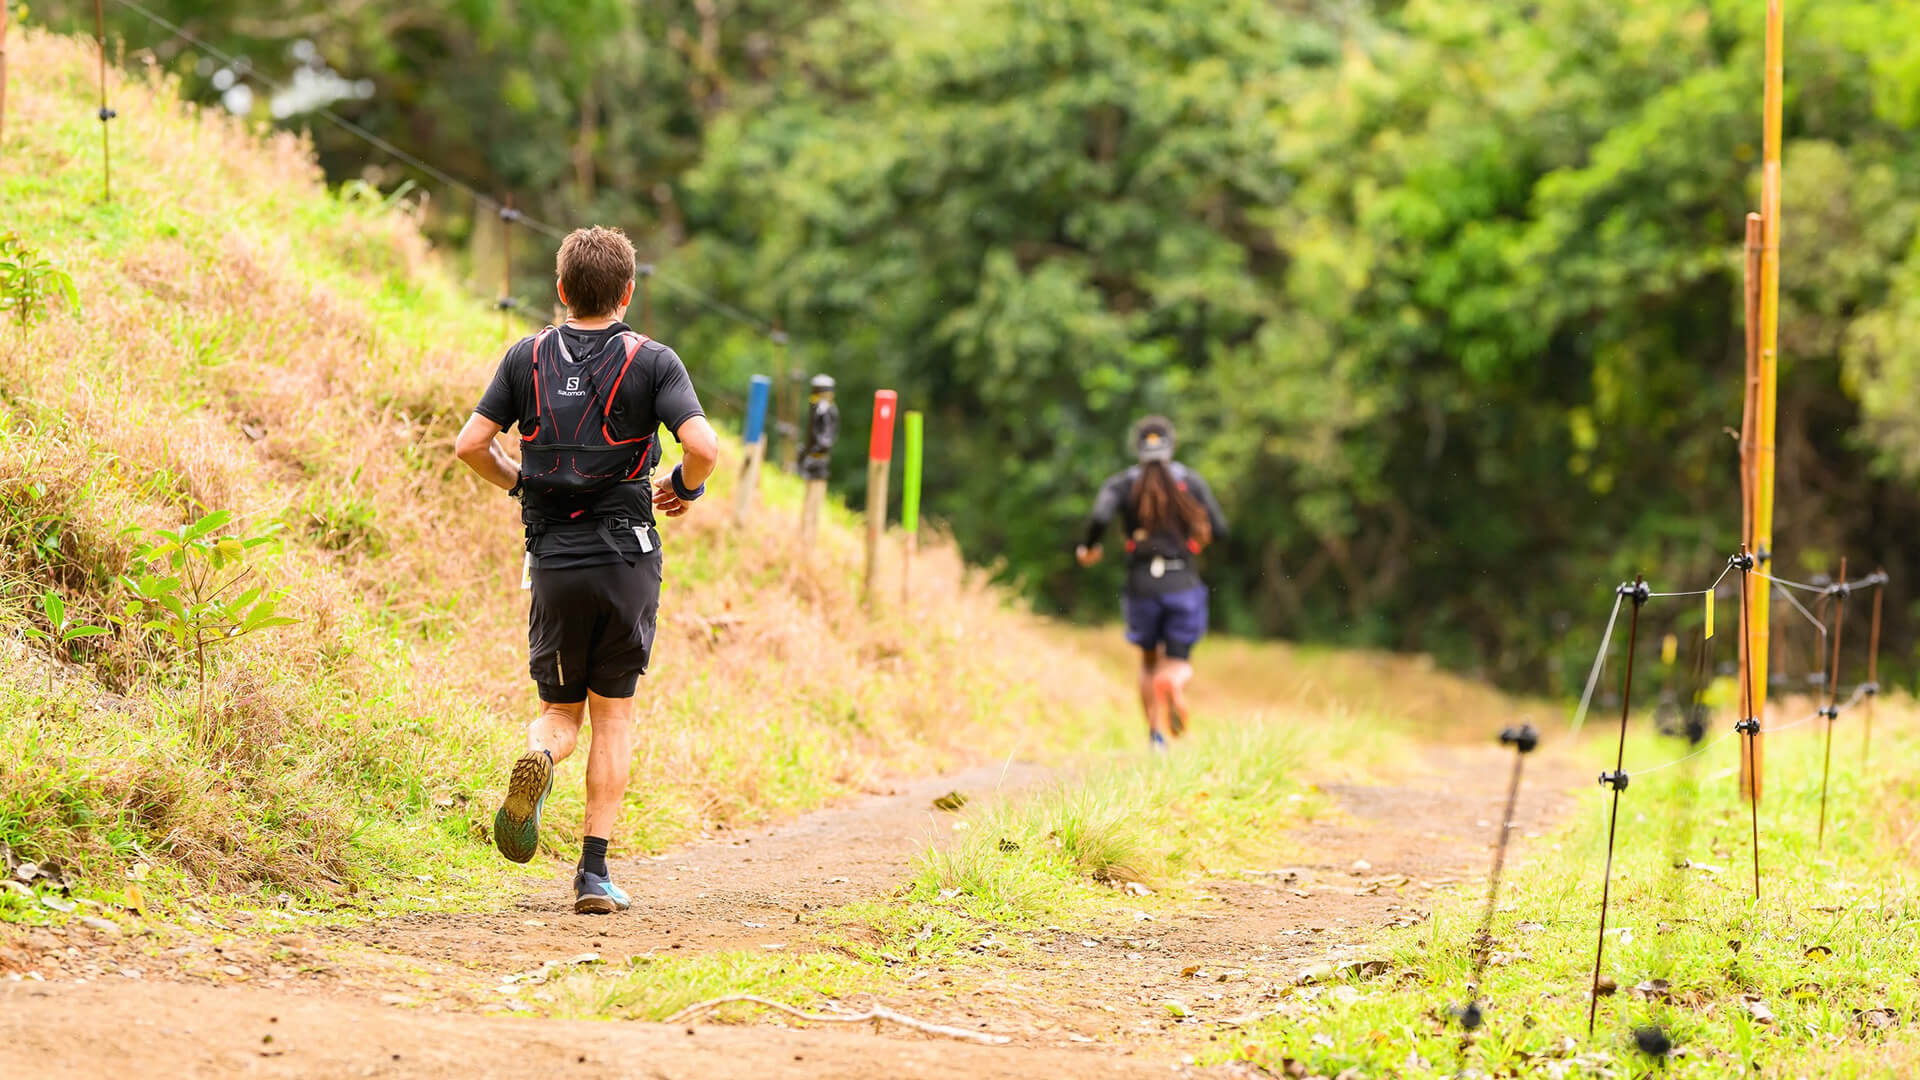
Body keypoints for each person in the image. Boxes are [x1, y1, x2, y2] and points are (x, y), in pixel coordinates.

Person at [454, 226, 719, 914]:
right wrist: (684, 489)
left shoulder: (526, 356)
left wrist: (518, 481)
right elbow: (704, 446)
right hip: (627, 558)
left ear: (562, 290)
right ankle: (593, 875)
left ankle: (541, 758)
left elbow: (470, 445)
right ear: (628, 292)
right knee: (616, 717)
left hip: (552, 560)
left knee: (559, 714)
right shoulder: (654, 361)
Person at [1075, 417, 1228, 750]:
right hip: (1182, 581)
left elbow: (1100, 517)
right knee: (1177, 662)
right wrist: (1194, 542)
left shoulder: (1122, 484)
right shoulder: (1190, 480)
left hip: (1142, 584)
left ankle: (1156, 737)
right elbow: (1220, 527)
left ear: (1137, 447)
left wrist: (1088, 547)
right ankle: (1172, 683)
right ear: (1171, 445)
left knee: (1147, 662)